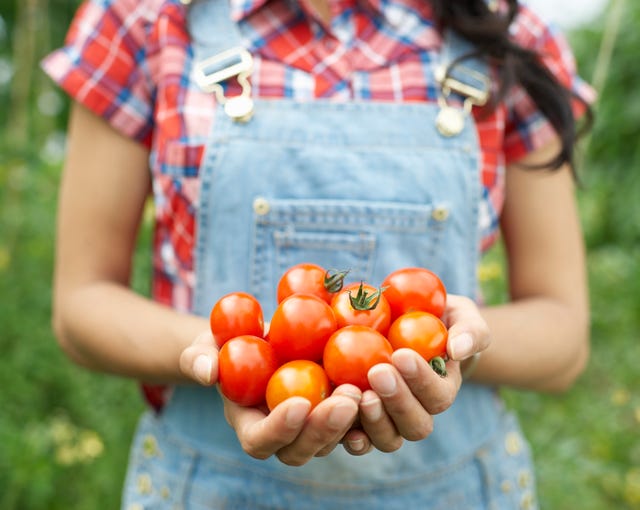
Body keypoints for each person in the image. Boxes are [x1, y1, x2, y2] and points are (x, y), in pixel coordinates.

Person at [43, 0, 594, 507]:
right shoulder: (140, 17)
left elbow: (562, 337)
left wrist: (453, 348)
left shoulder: (506, 31)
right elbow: (82, 304)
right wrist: (220, 358)